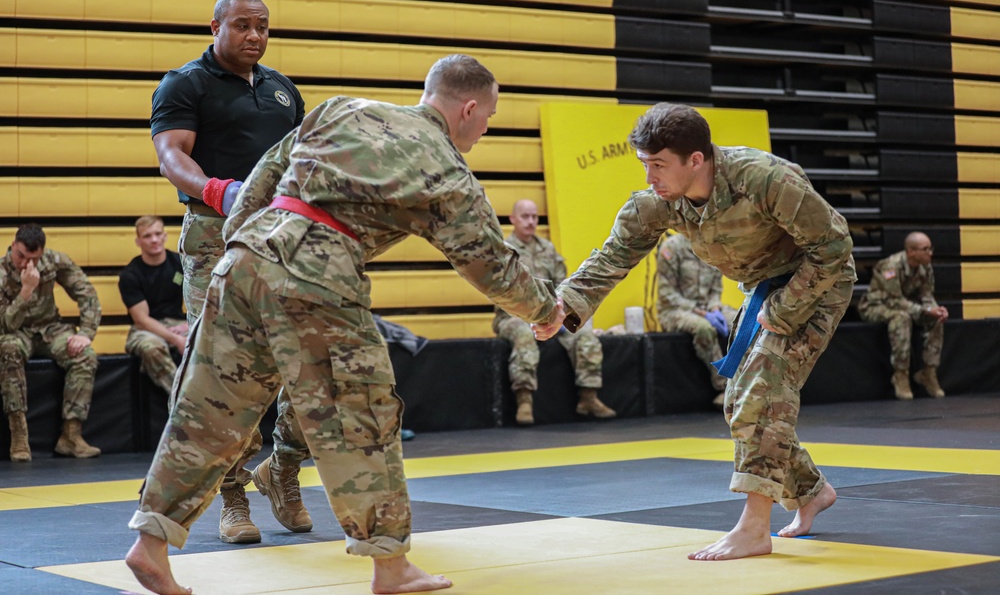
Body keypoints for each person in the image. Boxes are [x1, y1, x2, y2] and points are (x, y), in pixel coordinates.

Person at [125, 54, 565, 595]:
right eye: (489, 117)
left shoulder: (341, 108)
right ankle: (391, 566)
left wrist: (237, 251)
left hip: (242, 259)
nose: (486, 128)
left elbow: (262, 178)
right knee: (362, 417)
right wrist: (546, 313)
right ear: (469, 108)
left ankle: (150, 543)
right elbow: (489, 264)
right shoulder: (445, 166)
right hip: (319, 277)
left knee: (209, 411)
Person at [533, 103, 856, 561]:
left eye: (659, 165)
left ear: (696, 160)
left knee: (759, 392)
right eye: (645, 165)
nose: (650, 177)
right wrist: (561, 308)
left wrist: (786, 307)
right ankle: (810, 491)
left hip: (816, 281)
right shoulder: (657, 202)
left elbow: (834, 245)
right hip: (763, 289)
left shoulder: (764, 178)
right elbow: (612, 256)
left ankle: (754, 529)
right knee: (737, 401)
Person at [150, 0, 312, 544]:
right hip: (213, 238)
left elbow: (304, 163)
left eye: (263, 26)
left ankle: (284, 470)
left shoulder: (283, 89)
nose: (255, 36)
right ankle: (234, 495)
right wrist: (219, 191)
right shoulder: (184, 83)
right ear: (215, 27)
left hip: (282, 241)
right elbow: (172, 155)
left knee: (309, 360)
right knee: (222, 371)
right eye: (242, 25)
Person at [493, 199, 616, 425]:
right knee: (523, 336)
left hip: (550, 315)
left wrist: (560, 313)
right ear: (513, 219)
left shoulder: (548, 249)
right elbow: (500, 291)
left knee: (584, 335)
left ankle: (588, 397)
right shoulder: (504, 250)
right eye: (525, 216)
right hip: (512, 317)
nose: (531, 222)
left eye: (534, 217)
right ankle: (524, 401)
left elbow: (563, 284)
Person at [0, 223, 103, 462]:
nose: (27, 264)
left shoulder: (54, 261)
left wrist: (86, 332)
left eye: (34, 259)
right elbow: (5, 325)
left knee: (85, 354)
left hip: (50, 328)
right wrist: (25, 292)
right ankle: (19, 434)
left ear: (42, 253)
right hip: (16, 331)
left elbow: (86, 292)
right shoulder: (2, 272)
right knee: (8, 348)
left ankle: (71, 435)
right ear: (13, 245)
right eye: (21, 256)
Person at [858, 231, 947, 400]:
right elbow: (895, 300)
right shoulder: (891, 266)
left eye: (930, 248)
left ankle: (928, 372)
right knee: (902, 318)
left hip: (904, 306)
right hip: (876, 306)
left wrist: (936, 310)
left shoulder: (925, 265)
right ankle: (900, 374)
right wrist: (925, 310)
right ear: (911, 252)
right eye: (925, 249)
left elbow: (927, 296)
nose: (930, 253)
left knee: (936, 318)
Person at [657, 233, 736, 408]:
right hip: (676, 309)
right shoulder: (672, 248)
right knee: (704, 328)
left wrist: (715, 308)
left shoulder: (713, 247)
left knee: (743, 321)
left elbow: (716, 289)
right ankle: (724, 387)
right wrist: (702, 313)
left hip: (708, 308)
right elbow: (666, 295)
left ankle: (749, 382)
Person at [118, 216, 187, 394]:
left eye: (158, 234)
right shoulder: (130, 275)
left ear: (165, 236)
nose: (154, 240)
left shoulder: (180, 264)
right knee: (151, 347)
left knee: (211, 338)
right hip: (144, 329)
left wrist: (189, 325)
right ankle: (182, 399)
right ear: (138, 241)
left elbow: (202, 301)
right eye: (148, 236)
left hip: (178, 323)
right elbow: (141, 320)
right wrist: (176, 339)